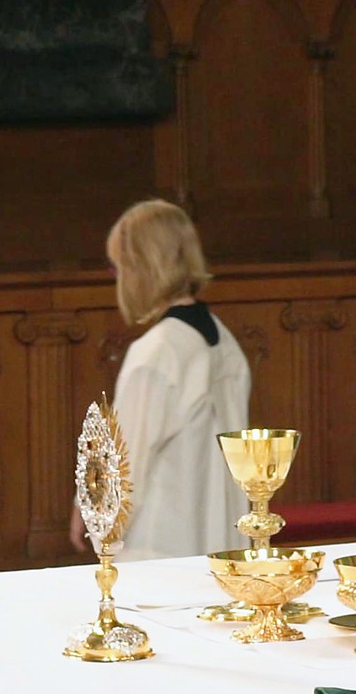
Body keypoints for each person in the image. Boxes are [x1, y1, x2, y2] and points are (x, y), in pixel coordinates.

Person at [69, 199, 251, 561]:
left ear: (140, 269)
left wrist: (91, 515)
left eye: (118, 268)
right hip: (222, 547)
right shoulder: (224, 341)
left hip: (158, 554)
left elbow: (125, 462)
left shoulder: (156, 352)